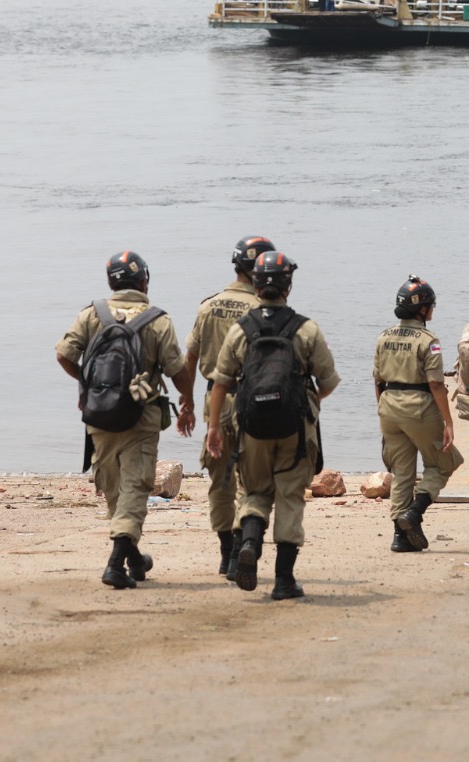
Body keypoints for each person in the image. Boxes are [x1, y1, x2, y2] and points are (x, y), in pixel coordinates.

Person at [204, 251, 340, 598]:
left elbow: (220, 382)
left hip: (251, 427)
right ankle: (283, 580)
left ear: (256, 285)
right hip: (294, 430)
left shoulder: (241, 329)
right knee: (290, 497)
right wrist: (307, 402)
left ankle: (249, 543)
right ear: (288, 287)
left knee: (255, 492)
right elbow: (328, 381)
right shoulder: (306, 329)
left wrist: (214, 428)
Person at [56, 250, 195, 590]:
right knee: (135, 487)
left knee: (114, 487)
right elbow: (177, 371)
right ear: (144, 281)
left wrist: (87, 385)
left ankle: (134, 559)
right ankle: (116, 564)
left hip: (99, 416)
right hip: (141, 417)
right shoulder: (158, 320)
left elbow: (64, 354)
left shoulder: (92, 314)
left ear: (111, 283)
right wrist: (188, 400)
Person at [183, 235, 273, 578]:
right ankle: (239, 547)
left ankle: (225, 553)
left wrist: (188, 402)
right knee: (251, 477)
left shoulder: (208, 306)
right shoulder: (263, 309)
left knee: (220, 478)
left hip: (215, 401)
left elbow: (190, 358)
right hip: (255, 400)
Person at [373, 276, 462, 553]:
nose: (432, 308)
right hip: (419, 407)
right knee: (444, 463)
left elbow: (378, 380)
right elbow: (436, 384)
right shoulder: (429, 340)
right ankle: (415, 512)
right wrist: (448, 422)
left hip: (389, 406)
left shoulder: (384, 337)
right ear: (422, 309)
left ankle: (399, 537)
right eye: (431, 304)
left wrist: (383, 412)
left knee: (402, 473)